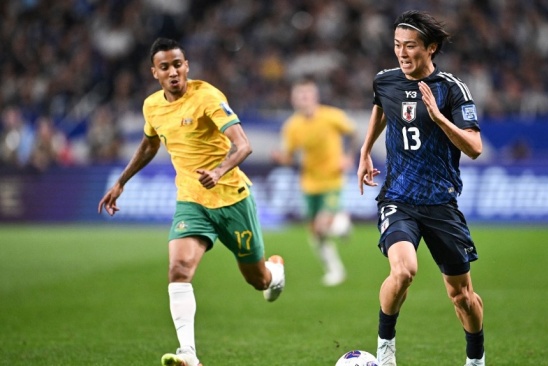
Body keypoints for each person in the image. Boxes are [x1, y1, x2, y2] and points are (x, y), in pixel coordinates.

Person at [97, 37, 285, 366]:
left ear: (187, 66)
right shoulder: (152, 106)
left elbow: (243, 146)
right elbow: (148, 145)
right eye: (165, 67)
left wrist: (219, 170)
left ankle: (274, 273)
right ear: (154, 72)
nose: (173, 72)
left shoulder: (208, 97)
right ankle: (189, 354)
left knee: (258, 281)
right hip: (191, 201)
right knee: (179, 269)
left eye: (178, 64)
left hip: (231, 200)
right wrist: (120, 182)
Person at [357, 10, 485, 366]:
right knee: (403, 271)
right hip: (398, 198)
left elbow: (475, 148)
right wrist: (366, 151)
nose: (401, 52)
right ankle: (385, 349)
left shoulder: (452, 90)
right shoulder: (385, 81)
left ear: (430, 48)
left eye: (410, 46)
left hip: (441, 203)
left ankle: (476, 358)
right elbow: (381, 109)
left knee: (462, 297)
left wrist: (439, 116)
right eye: (397, 45)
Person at [271, 77, 356, 287]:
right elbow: (290, 156)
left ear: (315, 96)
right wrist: (282, 158)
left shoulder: (332, 116)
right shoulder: (292, 126)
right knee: (316, 233)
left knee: (322, 224)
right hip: (309, 183)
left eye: (307, 94)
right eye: (299, 95)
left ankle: (342, 224)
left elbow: (354, 134)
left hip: (332, 180)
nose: (303, 99)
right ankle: (335, 270)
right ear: (293, 100)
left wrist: (349, 157)